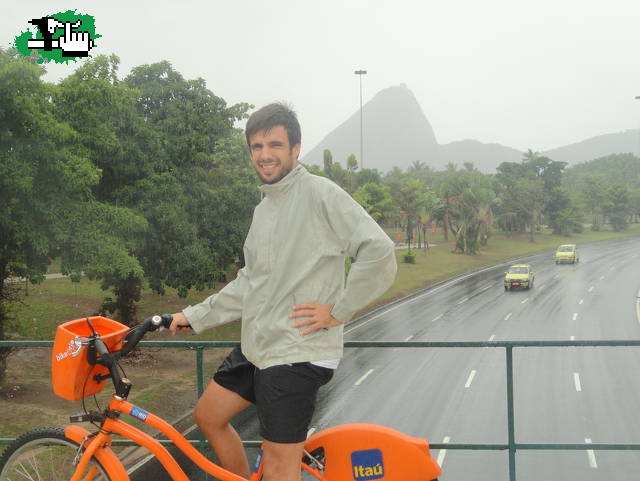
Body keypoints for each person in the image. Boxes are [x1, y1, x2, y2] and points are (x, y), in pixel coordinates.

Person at [169, 103, 397, 481]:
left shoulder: (320, 193)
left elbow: (379, 250)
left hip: (297, 352)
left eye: (275, 144)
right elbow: (250, 283)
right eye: (256, 146)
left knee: (278, 465)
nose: (265, 154)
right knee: (208, 417)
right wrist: (191, 316)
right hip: (260, 344)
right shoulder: (265, 209)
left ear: (295, 148)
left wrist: (339, 311)